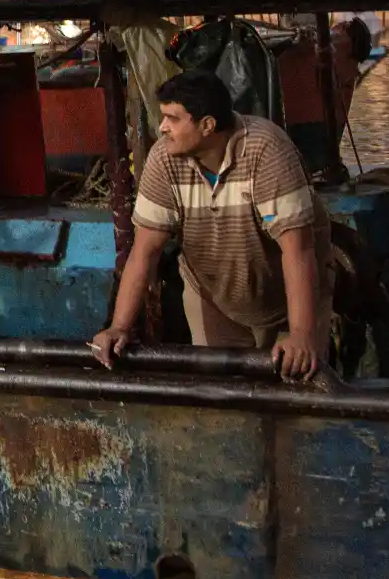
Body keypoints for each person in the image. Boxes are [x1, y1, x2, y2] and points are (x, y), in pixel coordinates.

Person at [90, 70, 333, 380]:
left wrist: (301, 334)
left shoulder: (267, 151)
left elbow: (298, 250)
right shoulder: (163, 159)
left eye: (173, 119)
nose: (162, 127)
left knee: (298, 385)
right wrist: (118, 327)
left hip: (288, 296)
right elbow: (144, 251)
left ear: (207, 125)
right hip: (212, 293)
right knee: (218, 389)